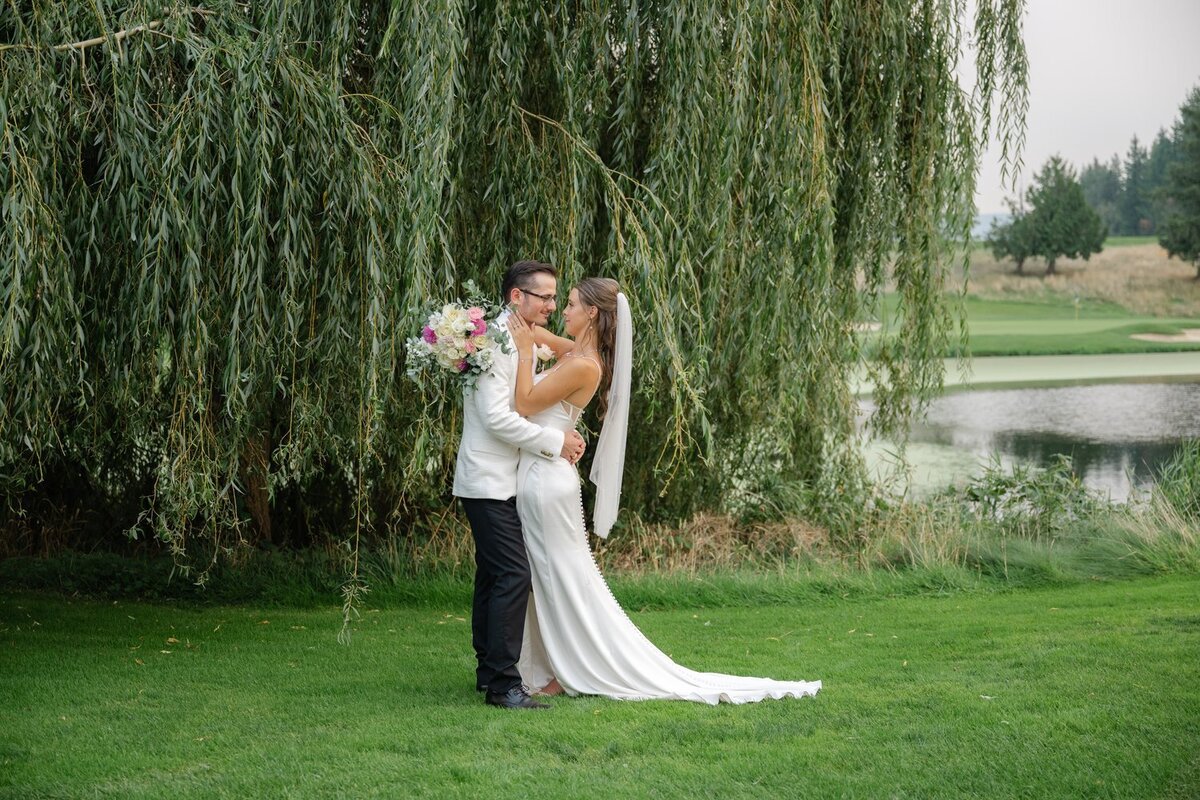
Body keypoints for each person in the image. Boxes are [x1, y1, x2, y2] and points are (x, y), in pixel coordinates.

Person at [506, 277, 821, 704]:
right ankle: (554, 665)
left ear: (592, 313)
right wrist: (512, 324)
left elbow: (526, 403)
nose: (562, 309)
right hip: (541, 472)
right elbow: (538, 335)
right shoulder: (574, 352)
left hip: (547, 481)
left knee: (556, 574)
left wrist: (526, 353)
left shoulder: (585, 364)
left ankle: (569, 665)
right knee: (547, 573)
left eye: (572, 304)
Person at [453, 260, 586, 710]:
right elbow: (496, 418)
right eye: (545, 297)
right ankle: (504, 685)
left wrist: (538, 339)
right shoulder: (494, 342)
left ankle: (489, 672)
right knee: (513, 573)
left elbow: (579, 350)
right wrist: (555, 441)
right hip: (487, 479)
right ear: (517, 296)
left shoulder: (518, 336)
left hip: (505, 479)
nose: (552, 305)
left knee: (494, 574)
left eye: (555, 297)